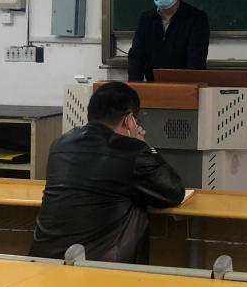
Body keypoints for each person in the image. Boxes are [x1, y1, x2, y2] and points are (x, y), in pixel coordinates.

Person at [29, 81, 185, 263]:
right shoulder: (132, 151)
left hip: (43, 264)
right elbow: (173, 192)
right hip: (99, 270)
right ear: (129, 120)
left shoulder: (60, 145)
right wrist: (143, 145)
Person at [127, 0, 210, 82]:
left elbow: (196, 58)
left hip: (185, 85)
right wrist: (135, 85)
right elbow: (136, 56)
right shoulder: (146, 19)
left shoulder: (196, 18)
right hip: (153, 84)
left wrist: (188, 86)